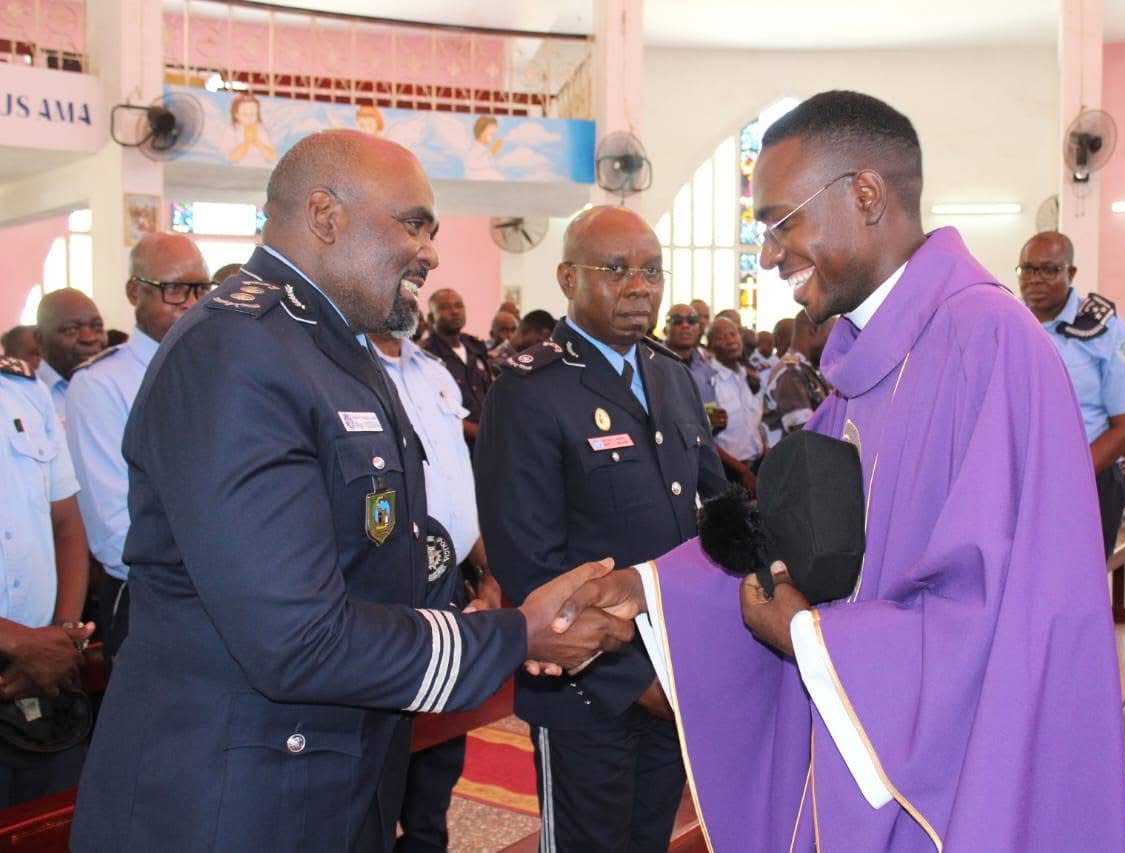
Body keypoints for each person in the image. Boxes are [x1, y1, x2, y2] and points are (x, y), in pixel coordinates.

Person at [551, 90, 1125, 851]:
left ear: (865, 194)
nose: (768, 256)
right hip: (859, 742)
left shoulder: (990, 344)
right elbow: (780, 530)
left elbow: (999, 619)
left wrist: (808, 632)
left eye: (780, 223)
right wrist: (646, 588)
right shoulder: (870, 358)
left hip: (949, 779)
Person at [69, 130, 633, 852]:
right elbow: (297, 638)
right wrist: (517, 633)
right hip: (234, 796)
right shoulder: (236, 351)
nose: (430, 252)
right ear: (325, 216)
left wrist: (467, 596)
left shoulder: (330, 346)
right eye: (413, 223)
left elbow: (375, 541)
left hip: (331, 769)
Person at [475, 205, 727, 852]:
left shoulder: (670, 376)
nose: (639, 287)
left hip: (674, 674)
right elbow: (527, 560)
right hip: (585, 689)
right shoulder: (530, 390)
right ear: (568, 278)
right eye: (616, 270)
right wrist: (634, 680)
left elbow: (712, 512)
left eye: (651, 271)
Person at [369, 328, 501, 852]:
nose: (412, 289)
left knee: (439, 759)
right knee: (376, 772)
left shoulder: (433, 371)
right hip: (382, 595)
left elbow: (456, 484)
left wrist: (489, 572)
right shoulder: (339, 364)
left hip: (449, 583)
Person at [64, 234, 212, 668]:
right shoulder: (100, 385)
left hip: (230, 593)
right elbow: (114, 530)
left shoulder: (220, 369)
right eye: (174, 289)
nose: (191, 303)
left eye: (201, 289)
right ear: (135, 292)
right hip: (153, 598)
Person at [0, 355, 94, 806]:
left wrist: (62, 635)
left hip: (45, 682)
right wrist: (17, 642)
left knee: (56, 825)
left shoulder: (22, 389)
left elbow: (67, 525)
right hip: (30, 655)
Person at [1018, 231, 1125, 556]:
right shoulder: (1009, 323)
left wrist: (1064, 479)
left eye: (1049, 270)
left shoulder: (1104, 329)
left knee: (1073, 581)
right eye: (1028, 269)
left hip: (1088, 479)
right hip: (1018, 482)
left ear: (1071, 272)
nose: (1035, 279)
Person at [420, 288, 493, 443]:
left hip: (488, 438)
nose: (455, 311)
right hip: (454, 441)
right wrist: (480, 433)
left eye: (459, 305)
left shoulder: (476, 347)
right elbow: (432, 409)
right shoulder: (425, 354)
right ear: (431, 317)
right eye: (445, 307)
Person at [707, 316, 765, 488]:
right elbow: (706, 436)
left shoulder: (748, 376)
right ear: (711, 345)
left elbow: (754, 421)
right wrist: (742, 470)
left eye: (733, 334)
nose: (730, 340)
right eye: (721, 337)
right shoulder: (709, 380)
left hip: (757, 466)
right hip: (729, 473)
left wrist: (765, 449)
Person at [761, 308, 831, 447]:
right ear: (814, 330)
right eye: (831, 335)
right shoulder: (790, 372)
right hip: (796, 459)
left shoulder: (803, 368)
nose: (834, 344)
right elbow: (805, 436)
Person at [33, 289, 106, 421]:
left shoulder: (114, 387)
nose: (89, 338)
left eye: (97, 326)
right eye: (71, 329)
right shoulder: (25, 396)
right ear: (40, 339)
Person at [662, 302, 716, 404]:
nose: (685, 325)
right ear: (666, 329)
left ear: (698, 329)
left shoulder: (708, 363)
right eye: (677, 320)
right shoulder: (651, 360)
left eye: (692, 320)